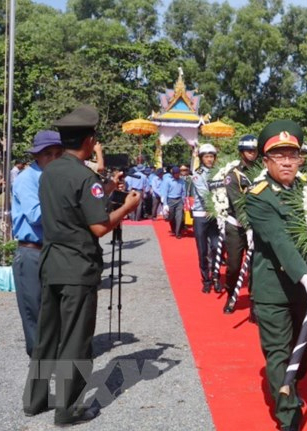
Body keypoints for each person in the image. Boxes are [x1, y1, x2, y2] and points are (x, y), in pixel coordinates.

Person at [22, 105, 140, 426]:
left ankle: (35, 399)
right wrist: (128, 207)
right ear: (89, 141)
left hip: (52, 263)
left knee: (48, 335)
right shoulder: (85, 176)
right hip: (78, 267)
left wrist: (109, 189)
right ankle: (68, 406)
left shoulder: (50, 173)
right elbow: (99, 226)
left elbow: (73, 211)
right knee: (75, 338)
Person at [246, 120, 307, 431]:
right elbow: (279, 239)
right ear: (266, 161)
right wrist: (305, 277)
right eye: (279, 156)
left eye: (292, 155)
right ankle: (288, 415)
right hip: (274, 288)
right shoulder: (258, 195)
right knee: (279, 352)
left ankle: (293, 383)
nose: (287, 162)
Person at [11, 131, 64, 358]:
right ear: (37, 156)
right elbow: (35, 215)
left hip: (51, 250)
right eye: (48, 154)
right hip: (31, 251)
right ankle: (39, 362)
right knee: (34, 311)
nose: (53, 158)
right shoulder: (27, 178)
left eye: (57, 154)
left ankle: (51, 355)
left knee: (53, 308)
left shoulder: (54, 178)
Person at [223, 134, 259, 313]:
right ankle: (231, 294)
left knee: (255, 267)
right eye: (248, 150)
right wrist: (248, 227)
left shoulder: (262, 172)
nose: (252, 154)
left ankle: (254, 303)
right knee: (234, 266)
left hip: (257, 227)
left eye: (254, 150)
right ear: (242, 152)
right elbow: (238, 205)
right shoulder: (234, 175)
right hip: (237, 226)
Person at [191, 143, 220, 293]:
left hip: (215, 215)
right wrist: (212, 207)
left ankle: (216, 276)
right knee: (203, 250)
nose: (209, 159)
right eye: (206, 156)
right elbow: (203, 193)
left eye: (211, 156)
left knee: (217, 247)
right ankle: (206, 279)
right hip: (201, 215)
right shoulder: (198, 173)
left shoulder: (219, 172)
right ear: (202, 158)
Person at [161, 166, 187, 238]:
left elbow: (184, 191)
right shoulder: (168, 181)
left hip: (179, 200)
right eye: (175, 173)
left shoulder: (182, 181)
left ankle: (178, 232)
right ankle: (173, 228)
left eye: (178, 173)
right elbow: (165, 192)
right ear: (173, 174)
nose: (177, 175)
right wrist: (165, 204)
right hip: (170, 200)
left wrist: (183, 200)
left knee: (179, 216)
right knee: (171, 217)